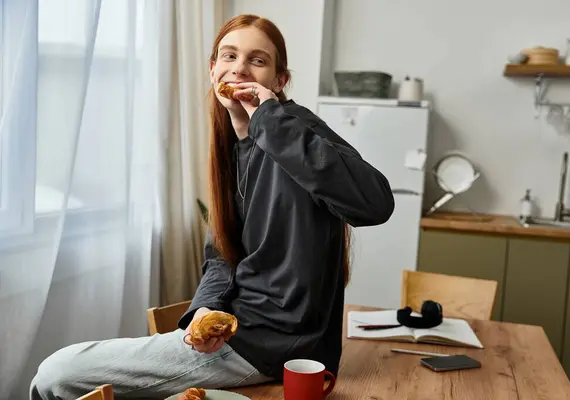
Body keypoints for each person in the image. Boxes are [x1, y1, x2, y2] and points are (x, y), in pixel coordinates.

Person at [30, 14, 394, 399]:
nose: (239, 67)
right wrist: (204, 310)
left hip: (271, 347)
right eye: (229, 55)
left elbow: (375, 204)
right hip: (237, 337)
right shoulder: (232, 152)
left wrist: (269, 117)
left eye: (257, 60)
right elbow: (222, 256)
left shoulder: (296, 130)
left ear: (279, 80)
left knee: (57, 373)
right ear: (212, 69)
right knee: (57, 372)